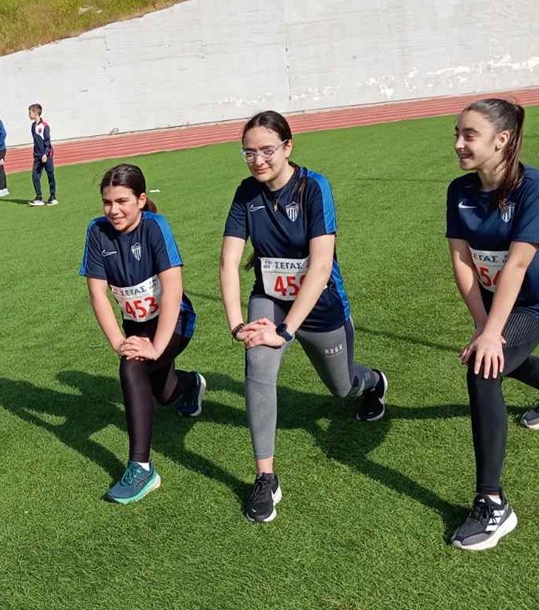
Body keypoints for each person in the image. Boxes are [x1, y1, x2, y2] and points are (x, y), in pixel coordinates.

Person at [220, 110, 388, 524]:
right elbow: (228, 262)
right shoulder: (246, 193)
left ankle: (373, 382)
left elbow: (321, 265)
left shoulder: (314, 187)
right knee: (258, 363)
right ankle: (265, 477)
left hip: (319, 307)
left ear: (288, 147)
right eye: (249, 153)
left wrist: (285, 331)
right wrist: (238, 324)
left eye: (266, 150)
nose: (258, 160)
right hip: (269, 298)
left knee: (342, 386)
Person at [446, 98, 539, 551]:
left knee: (483, 369)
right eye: (457, 134)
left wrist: (491, 334)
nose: (459, 143)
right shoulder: (459, 190)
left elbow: (518, 265)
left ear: (501, 139)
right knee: (500, 357)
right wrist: (482, 324)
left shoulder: (535, 187)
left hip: (530, 307)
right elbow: (461, 261)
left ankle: (493, 503)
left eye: (469, 135)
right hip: (493, 310)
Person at [80, 164, 206, 504]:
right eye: (107, 202)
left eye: (122, 201)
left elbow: (173, 288)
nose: (113, 210)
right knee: (163, 392)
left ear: (140, 200)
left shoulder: (155, 226)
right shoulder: (96, 231)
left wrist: (157, 346)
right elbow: (98, 293)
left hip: (174, 323)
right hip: (136, 328)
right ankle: (191, 383)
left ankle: (141, 467)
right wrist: (118, 342)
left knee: (133, 367)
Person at [28, 103, 58, 206]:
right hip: (37, 156)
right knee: (35, 176)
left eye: (30, 112)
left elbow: (47, 142)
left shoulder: (45, 126)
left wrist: (45, 154)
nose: (29, 115)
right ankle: (39, 197)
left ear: (36, 113)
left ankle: (53, 197)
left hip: (47, 156)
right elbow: (36, 142)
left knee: (50, 175)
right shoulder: (33, 126)